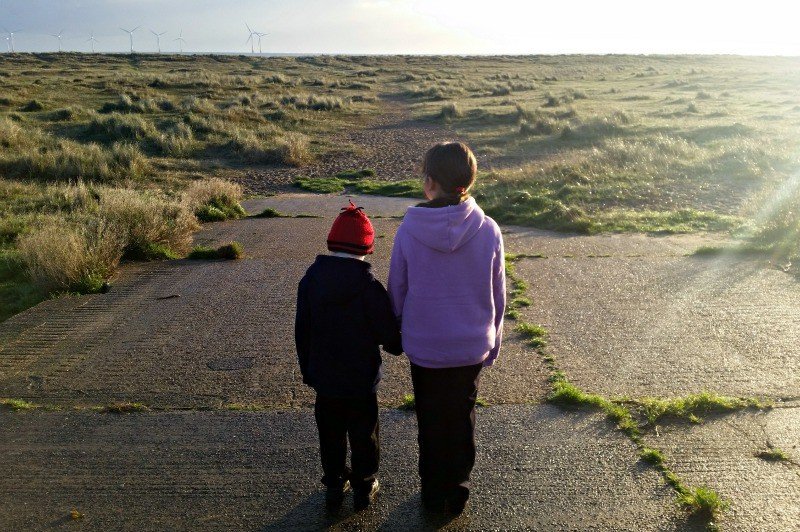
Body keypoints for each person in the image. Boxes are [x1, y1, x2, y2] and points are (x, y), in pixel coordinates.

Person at [387, 142, 506, 514]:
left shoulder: (409, 230)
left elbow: (398, 287)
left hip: (425, 344)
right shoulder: (488, 230)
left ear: (430, 181)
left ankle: (432, 487)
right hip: (470, 345)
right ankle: (456, 488)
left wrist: (398, 330)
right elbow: (498, 293)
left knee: (431, 417)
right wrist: (493, 343)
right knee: (461, 416)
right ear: (468, 181)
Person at [295, 200, 402, 511]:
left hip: (325, 378)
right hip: (361, 380)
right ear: (367, 247)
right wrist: (397, 342)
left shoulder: (311, 281)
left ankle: (333, 482)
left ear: (332, 242)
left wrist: (308, 369)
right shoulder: (370, 289)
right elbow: (389, 338)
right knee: (364, 433)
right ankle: (365, 484)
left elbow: (303, 330)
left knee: (330, 433)